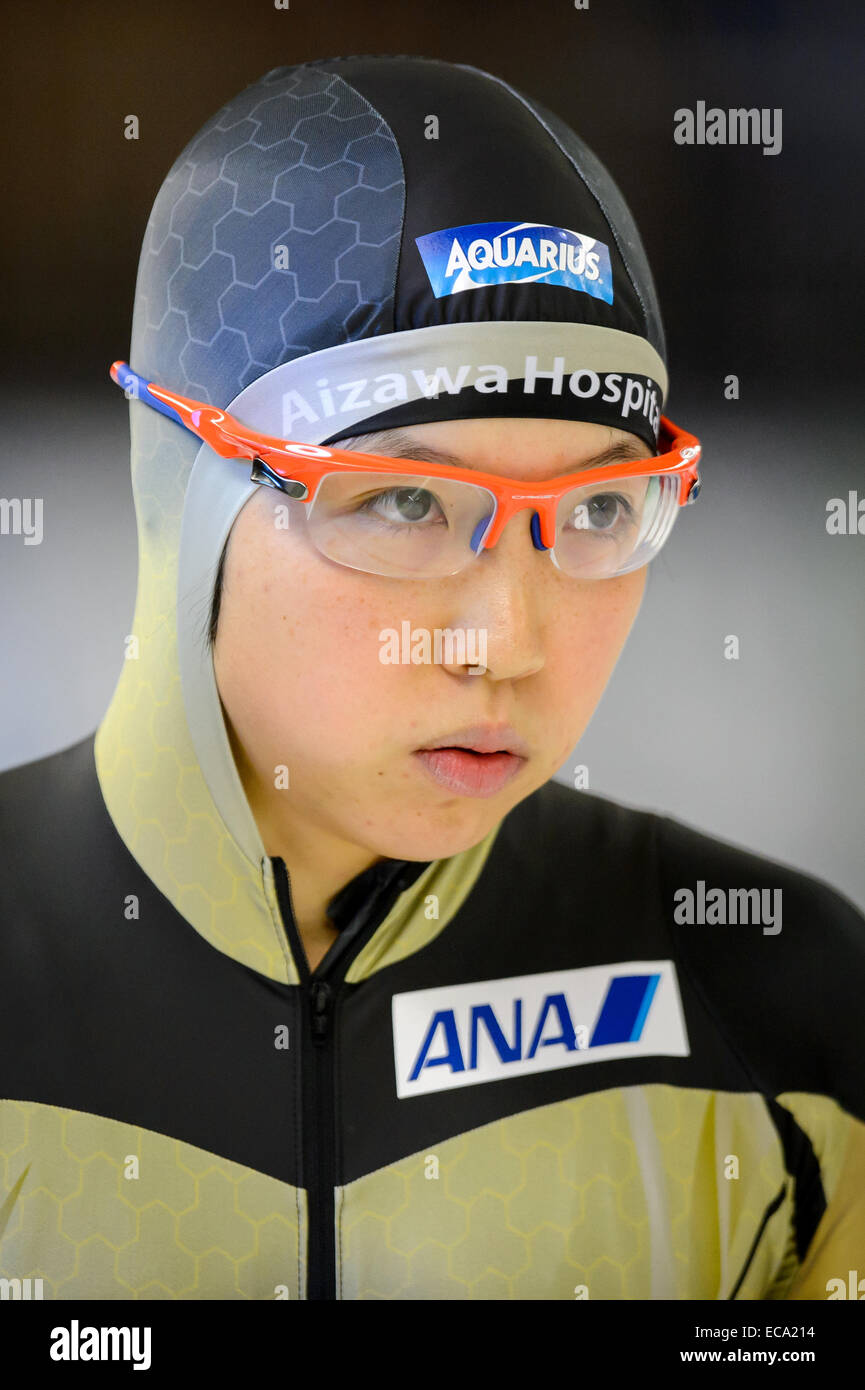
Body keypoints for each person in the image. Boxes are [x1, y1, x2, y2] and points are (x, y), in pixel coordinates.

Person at [1, 54, 863, 1302]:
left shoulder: (788, 1023)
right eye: (405, 498)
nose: (507, 637)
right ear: (181, 484)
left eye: (599, 506)